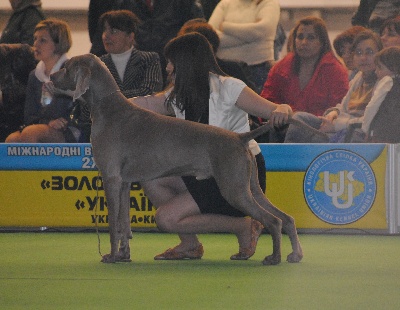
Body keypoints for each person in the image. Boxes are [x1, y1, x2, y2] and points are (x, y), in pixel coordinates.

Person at [129, 33, 292, 260]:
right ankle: (190, 245)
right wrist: (108, 101)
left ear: (186, 62)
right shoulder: (177, 96)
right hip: (204, 173)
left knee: (165, 219)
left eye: (171, 61)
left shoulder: (231, 87)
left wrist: (284, 108)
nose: (167, 68)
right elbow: (146, 103)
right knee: (151, 178)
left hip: (236, 171)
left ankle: (242, 226)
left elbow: (274, 109)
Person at [284, 30, 383, 143]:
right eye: (359, 53)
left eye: (369, 52)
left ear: (380, 54)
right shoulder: (358, 78)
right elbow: (343, 107)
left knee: (318, 139)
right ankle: (287, 159)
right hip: (340, 125)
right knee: (299, 119)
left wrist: (336, 126)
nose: (363, 58)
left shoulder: (384, 83)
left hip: (358, 133)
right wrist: (334, 113)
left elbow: (371, 121)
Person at [5, 18, 90, 143]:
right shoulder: (34, 75)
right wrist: (47, 122)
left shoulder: (72, 71)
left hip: (70, 129)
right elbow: (29, 115)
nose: (36, 44)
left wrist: (59, 122)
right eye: (35, 39)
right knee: (11, 140)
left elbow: (80, 110)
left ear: (58, 44)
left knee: (31, 133)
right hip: (44, 126)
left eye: (42, 40)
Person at [261, 16, 349, 117]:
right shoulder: (281, 67)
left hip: (319, 129)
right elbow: (266, 101)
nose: (304, 42)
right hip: (281, 127)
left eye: (311, 37)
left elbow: (339, 109)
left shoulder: (336, 71)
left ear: (322, 42)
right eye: (300, 37)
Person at [208, 0, 280, 94]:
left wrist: (225, 26)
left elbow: (261, 31)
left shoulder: (269, 3)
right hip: (224, 70)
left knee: (256, 107)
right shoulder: (225, 3)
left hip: (257, 69)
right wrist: (251, 36)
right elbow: (210, 36)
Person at [98, 10, 163, 98]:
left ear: (130, 37)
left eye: (113, 31)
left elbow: (149, 92)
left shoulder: (149, 59)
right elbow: (90, 99)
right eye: (104, 30)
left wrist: (109, 97)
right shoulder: (98, 63)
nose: (106, 36)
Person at [360, 46, 400, 142]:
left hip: (384, 132)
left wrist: (366, 128)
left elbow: (373, 106)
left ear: (393, 68)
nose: (376, 71)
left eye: (380, 68)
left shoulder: (387, 81)